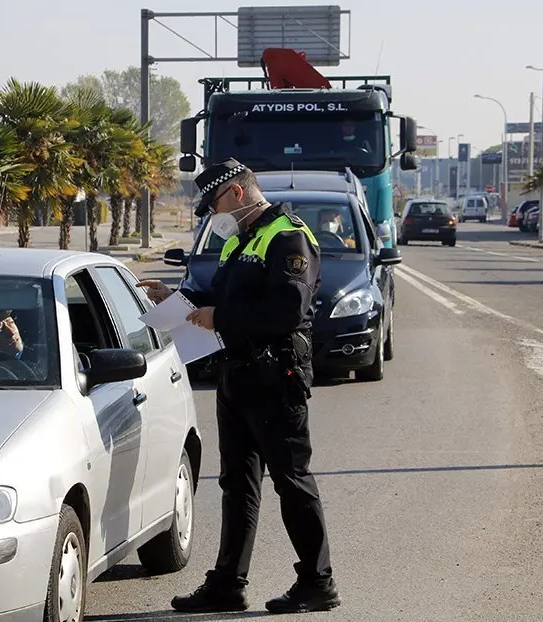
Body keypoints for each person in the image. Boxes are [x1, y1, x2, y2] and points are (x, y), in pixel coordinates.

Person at [137, 158, 340, 615]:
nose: (211, 213)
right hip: (238, 375)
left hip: (276, 378)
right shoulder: (242, 240)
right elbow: (230, 300)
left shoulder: (288, 236)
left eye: (212, 203)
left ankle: (317, 582)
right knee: (237, 485)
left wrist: (220, 317)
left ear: (237, 193)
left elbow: (286, 310)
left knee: (292, 482)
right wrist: (176, 300)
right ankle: (228, 583)